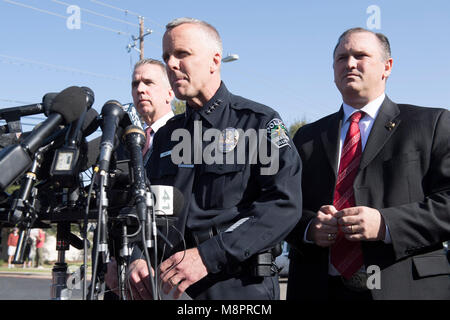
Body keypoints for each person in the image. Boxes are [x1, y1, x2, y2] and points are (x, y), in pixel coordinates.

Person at [126, 17, 302, 300]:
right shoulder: (165, 137)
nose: (171, 64)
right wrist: (136, 255)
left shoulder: (258, 123)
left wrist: (209, 256)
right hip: (170, 290)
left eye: (182, 54)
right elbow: (148, 208)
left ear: (214, 60)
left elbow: (282, 206)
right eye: (167, 56)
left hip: (237, 288)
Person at [286, 27, 450, 300]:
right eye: (341, 58)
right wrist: (309, 228)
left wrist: (386, 224)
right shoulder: (307, 136)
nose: (349, 63)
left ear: (387, 67)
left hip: (404, 287)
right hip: (319, 288)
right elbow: (282, 206)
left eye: (360, 55)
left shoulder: (432, 124)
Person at [104, 58, 175, 297]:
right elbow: (113, 207)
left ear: (170, 92)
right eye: (135, 84)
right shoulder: (123, 145)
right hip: (121, 274)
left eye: (148, 82)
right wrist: (111, 259)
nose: (140, 89)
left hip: (165, 273)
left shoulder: (185, 138)